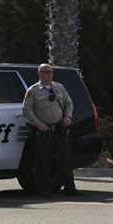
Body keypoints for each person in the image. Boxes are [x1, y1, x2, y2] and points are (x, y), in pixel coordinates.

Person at [22, 63, 81, 197]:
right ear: (40, 74)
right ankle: (45, 189)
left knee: (65, 159)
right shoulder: (33, 91)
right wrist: (38, 124)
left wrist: (68, 116)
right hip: (44, 131)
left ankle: (70, 188)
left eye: (51, 72)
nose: (49, 74)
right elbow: (26, 109)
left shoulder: (59, 87)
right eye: (46, 72)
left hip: (59, 129)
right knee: (43, 160)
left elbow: (69, 103)